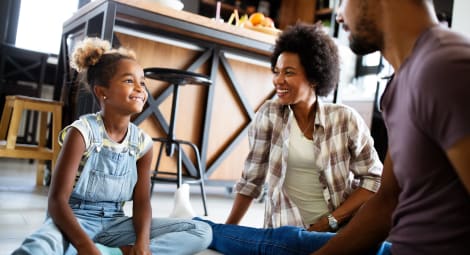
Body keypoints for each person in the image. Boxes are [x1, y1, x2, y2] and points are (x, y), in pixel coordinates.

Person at [188, 22, 385, 255]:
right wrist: (229, 231)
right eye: (276, 71)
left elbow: (374, 180)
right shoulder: (270, 114)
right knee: (283, 241)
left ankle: (196, 225)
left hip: (339, 232)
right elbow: (252, 181)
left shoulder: (345, 119)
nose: (278, 80)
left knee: (381, 248)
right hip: (286, 234)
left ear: (314, 76)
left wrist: (330, 221)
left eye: (288, 72)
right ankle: (198, 226)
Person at [12, 37, 212, 255]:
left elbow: (142, 202)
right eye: (128, 81)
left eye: (142, 82)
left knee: (200, 231)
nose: (139, 88)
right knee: (39, 246)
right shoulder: (82, 132)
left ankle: (111, 252)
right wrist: (84, 245)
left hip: (115, 224)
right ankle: (98, 250)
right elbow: (57, 201)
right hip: (73, 220)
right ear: (101, 92)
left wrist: (143, 244)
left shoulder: (142, 144)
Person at [311, 0, 470, 254]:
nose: (339, 16)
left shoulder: (446, 68)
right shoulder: (400, 84)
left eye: (343, 1)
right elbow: (387, 201)